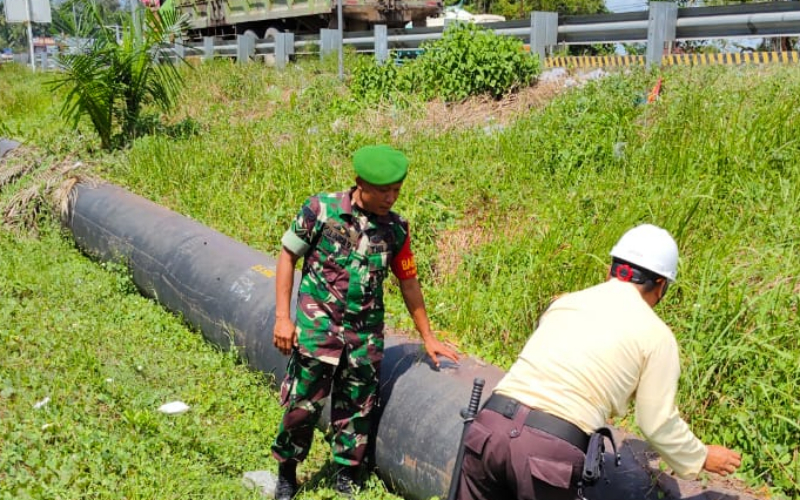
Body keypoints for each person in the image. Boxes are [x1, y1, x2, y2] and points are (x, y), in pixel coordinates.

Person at [456, 224, 742, 500]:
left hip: (489, 427)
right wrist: (701, 456)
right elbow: (656, 422)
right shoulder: (657, 336)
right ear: (661, 285)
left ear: (611, 270)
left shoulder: (566, 302)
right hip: (547, 452)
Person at [271, 145, 460, 500]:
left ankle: (347, 475)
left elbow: (408, 281)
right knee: (303, 404)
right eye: (383, 191)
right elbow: (287, 256)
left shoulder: (396, 230)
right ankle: (287, 472)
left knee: (357, 407)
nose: (390, 198)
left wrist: (428, 337)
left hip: (364, 335)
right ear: (359, 184)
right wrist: (283, 318)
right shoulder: (321, 210)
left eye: (397, 191)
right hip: (318, 327)